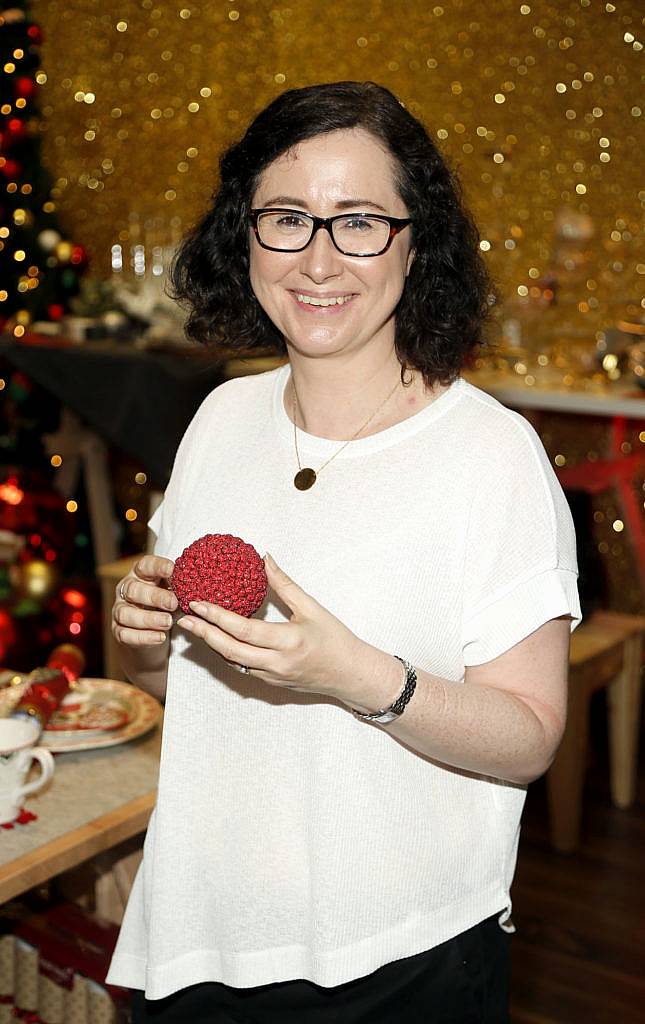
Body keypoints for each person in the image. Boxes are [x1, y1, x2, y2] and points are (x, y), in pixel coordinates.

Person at [106, 81, 581, 1023]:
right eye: (286, 217)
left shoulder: (490, 455)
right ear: (243, 235)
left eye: (359, 220)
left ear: (416, 241)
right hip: (202, 935)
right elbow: (171, 683)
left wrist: (360, 675)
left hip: (396, 959)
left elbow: (528, 738)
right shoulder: (221, 417)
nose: (318, 259)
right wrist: (141, 631)